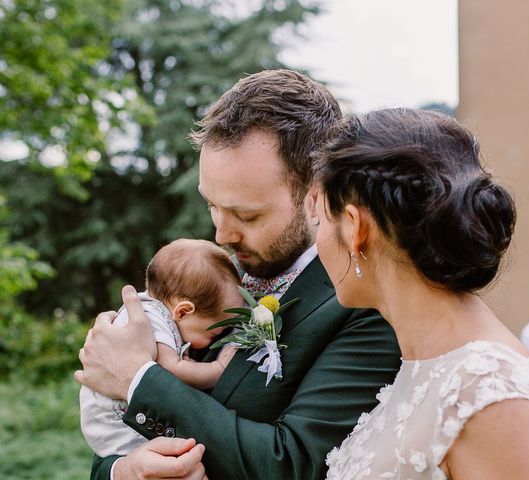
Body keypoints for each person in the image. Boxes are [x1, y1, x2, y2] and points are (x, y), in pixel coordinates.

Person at [74, 69, 401, 480]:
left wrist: (137, 379)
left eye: (246, 215)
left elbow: (293, 464)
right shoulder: (210, 274)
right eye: (213, 205)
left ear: (317, 193)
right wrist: (124, 471)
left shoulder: (368, 305)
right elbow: (114, 446)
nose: (221, 234)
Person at [312, 108, 529, 479]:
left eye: (321, 220)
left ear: (355, 228)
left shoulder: (491, 393)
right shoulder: (423, 365)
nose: (318, 239)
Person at [79, 238, 243, 458]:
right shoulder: (151, 320)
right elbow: (171, 371)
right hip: (116, 425)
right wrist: (219, 369)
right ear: (183, 311)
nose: (218, 336)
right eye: (213, 332)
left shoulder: (154, 311)